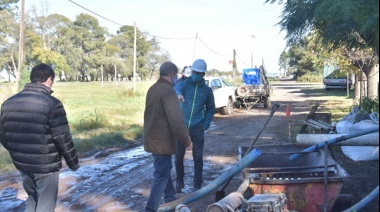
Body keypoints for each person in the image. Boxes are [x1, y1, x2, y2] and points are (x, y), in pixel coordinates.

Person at [0, 63, 79, 212]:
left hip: (23, 164)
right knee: (45, 204)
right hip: (46, 166)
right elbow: (62, 138)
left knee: (32, 198)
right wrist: (73, 162)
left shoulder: (7, 103)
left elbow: (3, 135)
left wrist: (17, 152)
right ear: (49, 80)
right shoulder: (52, 104)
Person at [143, 61, 193, 212]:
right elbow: (177, 122)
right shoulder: (168, 92)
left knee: (164, 170)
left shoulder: (153, 89)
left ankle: (170, 200)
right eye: (176, 76)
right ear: (172, 75)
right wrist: (187, 142)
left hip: (152, 139)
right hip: (162, 142)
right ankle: (150, 209)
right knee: (161, 176)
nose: (177, 78)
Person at [174, 59, 215, 192]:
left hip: (198, 127)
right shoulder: (184, 84)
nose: (196, 75)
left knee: (198, 157)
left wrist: (206, 124)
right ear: (191, 71)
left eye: (199, 73)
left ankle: (197, 184)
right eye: (194, 72)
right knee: (178, 156)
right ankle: (179, 182)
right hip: (182, 127)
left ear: (203, 74)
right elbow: (177, 88)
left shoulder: (207, 90)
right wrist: (179, 95)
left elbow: (210, 108)